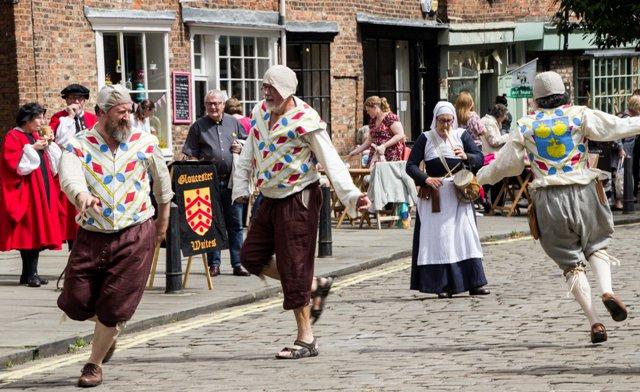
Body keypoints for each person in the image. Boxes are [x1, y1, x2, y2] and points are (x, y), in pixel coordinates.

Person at [477, 71, 640, 344]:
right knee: (597, 245)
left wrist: (479, 176)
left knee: (571, 264)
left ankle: (594, 320)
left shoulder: (526, 124)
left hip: (548, 199)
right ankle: (608, 291)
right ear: (563, 92)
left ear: (536, 98)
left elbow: (508, 166)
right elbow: (615, 127)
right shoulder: (579, 114)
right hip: (584, 189)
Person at [232, 65, 371, 359]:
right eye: (265, 87)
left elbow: (330, 160)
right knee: (250, 257)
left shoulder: (306, 120)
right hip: (269, 198)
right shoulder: (259, 112)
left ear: (288, 92)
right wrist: (240, 187)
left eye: (274, 89)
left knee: (294, 265)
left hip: (299, 198)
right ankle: (311, 284)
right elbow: (248, 151)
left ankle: (306, 339)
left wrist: (352, 195)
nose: (267, 93)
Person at [57, 85, 173, 387]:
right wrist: (81, 195)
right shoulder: (79, 145)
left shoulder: (145, 142)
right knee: (74, 302)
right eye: (120, 111)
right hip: (92, 234)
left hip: (135, 231)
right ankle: (108, 334)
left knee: (114, 307)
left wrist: (163, 223)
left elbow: (162, 186)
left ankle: (93, 363)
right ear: (101, 113)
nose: (127, 117)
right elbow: (69, 176)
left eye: (129, 111)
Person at [406, 101, 489, 298]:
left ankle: (474, 283)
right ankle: (441, 285)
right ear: (435, 119)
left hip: (459, 194)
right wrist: (426, 178)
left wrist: (466, 156)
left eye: (449, 121)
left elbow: (480, 157)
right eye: (442, 121)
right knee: (440, 239)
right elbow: (410, 166)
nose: (446, 125)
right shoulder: (426, 138)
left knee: (465, 237)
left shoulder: (461, 135)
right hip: (437, 198)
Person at [182, 90, 250, 277]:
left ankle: (238, 263)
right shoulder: (198, 126)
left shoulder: (233, 122)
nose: (213, 107)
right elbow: (191, 153)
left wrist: (241, 146)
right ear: (205, 106)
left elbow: (248, 143)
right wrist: (194, 166)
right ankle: (215, 264)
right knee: (211, 223)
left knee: (235, 223)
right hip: (207, 182)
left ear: (223, 104)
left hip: (231, 181)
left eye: (217, 103)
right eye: (209, 104)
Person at [0, 103, 62, 287]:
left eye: (43, 117)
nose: (42, 121)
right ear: (26, 119)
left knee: (37, 231)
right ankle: (31, 274)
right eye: (39, 118)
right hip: (26, 191)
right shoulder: (14, 135)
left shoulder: (35, 135)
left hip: (41, 187)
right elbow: (14, 164)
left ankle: (27, 274)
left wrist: (48, 145)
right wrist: (31, 148)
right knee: (30, 233)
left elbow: (51, 162)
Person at [50, 84, 98, 248]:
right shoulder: (58, 118)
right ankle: (74, 246)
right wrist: (69, 117)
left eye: (79, 98)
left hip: (90, 168)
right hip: (69, 168)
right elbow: (60, 141)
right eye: (71, 98)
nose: (75, 102)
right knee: (71, 212)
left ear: (84, 100)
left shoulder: (92, 118)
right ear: (66, 100)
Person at [347, 96, 406, 166]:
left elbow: (400, 134)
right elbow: (369, 141)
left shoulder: (390, 117)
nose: (367, 113)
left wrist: (384, 146)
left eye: (368, 110)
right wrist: (355, 152)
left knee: (386, 174)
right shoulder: (372, 121)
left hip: (390, 153)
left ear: (375, 107)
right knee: (371, 174)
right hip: (375, 153)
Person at [480, 104, 511, 210]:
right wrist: (508, 136)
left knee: (492, 180)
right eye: (505, 115)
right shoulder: (489, 122)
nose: (506, 118)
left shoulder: (491, 122)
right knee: (494, 179)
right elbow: (494, 141)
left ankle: (494, 204)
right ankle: (494, 205)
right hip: (489, 156)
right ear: (500, 114)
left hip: (490, 155)